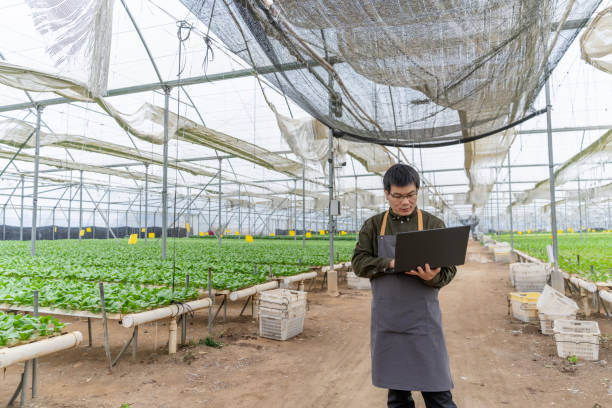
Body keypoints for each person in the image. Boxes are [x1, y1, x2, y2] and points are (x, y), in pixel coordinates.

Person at [352, 163, 458, 408]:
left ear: (417, 191)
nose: (405, 202)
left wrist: (430, 277)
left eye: (411, 195)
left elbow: (449, 270)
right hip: (389, 321)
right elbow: (358, 263)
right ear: (387, 194)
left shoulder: (432, 224)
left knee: (438, 393)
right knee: (397, 396)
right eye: (398, 196)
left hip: (423, 321)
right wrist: (390, 262)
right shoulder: (373, 226)